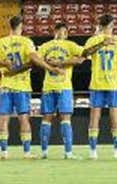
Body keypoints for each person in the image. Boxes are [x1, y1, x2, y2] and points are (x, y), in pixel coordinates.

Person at [0, 15, 51, 159]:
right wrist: (47, 67)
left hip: (6, 87)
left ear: (9, 26)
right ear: (21, 26)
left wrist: (2, 64)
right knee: (23, 119)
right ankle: (27, 153)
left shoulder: (0, 42)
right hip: (22, 87)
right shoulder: (26, 42)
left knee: (4, 119)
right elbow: (34, 58)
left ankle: (4, 153)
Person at [81, 14, 117, 159]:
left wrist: (100, 44)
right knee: (115, 118)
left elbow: (84, 54)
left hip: (97, 84)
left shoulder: (92, 40)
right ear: (112, 25)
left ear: (99, 25)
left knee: (95, 117)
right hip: (113, 85)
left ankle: (93, 151)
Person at [38, 21, 84, 158]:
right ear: (66, 33)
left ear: (54, 32)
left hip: (48, 86)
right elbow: (81, 58)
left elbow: (35, 58)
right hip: (64, 87)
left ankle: (44, 153)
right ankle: (68, 153)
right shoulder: (70, 45)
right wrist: (64, 62)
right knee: (65, 118)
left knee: (46, 119)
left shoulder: (45, 46)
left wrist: (51, 65)